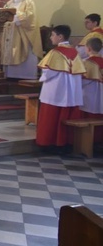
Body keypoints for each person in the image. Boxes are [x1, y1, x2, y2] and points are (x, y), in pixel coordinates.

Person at [36, 24, 85, 153]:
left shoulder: (55, 53)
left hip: (55, 92)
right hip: (70, 93)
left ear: (60, 36)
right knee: (64, 116)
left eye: (52, 35)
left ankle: (48, 143)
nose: (51, 38)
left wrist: (41, 78)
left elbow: (48, 73)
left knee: (50, 117)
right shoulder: (75, 52)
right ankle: (64, 143)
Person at [1, 0, 44, 79]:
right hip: (10, 34)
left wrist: (16, 17)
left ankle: (25, 76)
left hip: (23, 34)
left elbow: (30, 17)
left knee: (25, 52)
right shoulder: (9, 4)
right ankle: (10, 76)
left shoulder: (29, 2)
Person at [81, 37, 103, 143]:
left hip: (89, 94)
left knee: (88, 118)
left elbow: (81, 81)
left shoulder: (86, 62)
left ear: (88, 48)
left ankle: (87, 143)